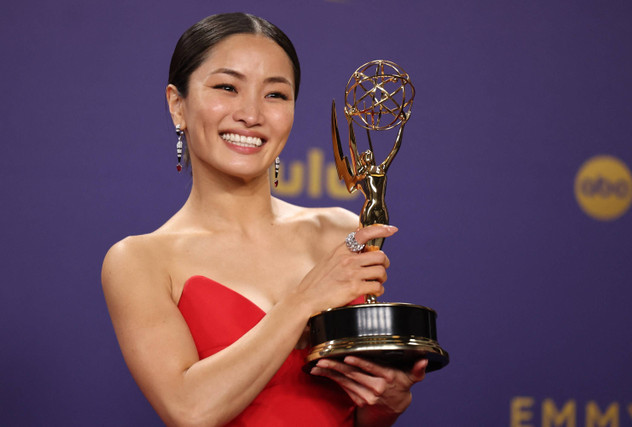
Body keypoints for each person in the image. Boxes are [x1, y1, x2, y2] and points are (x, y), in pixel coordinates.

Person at [102, 12, 427, 426]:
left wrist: (385, 404)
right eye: (227, 87)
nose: (251, 114)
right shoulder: (139, 261)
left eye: (275, 94)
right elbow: (190, 410)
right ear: (177, 104)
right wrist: (305, 299)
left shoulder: (340, 232)